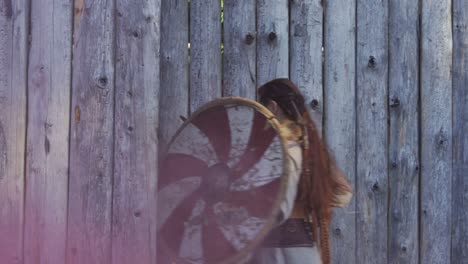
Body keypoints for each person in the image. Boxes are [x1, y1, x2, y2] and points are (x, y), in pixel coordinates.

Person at [250, 78, 352, 264]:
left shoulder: (285, 148)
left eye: (260, 109)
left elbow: (279, 209)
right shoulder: (310, 147)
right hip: (301, 248)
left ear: (272, 107)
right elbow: (343, 193)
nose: (259, 117)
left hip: (279, 253)